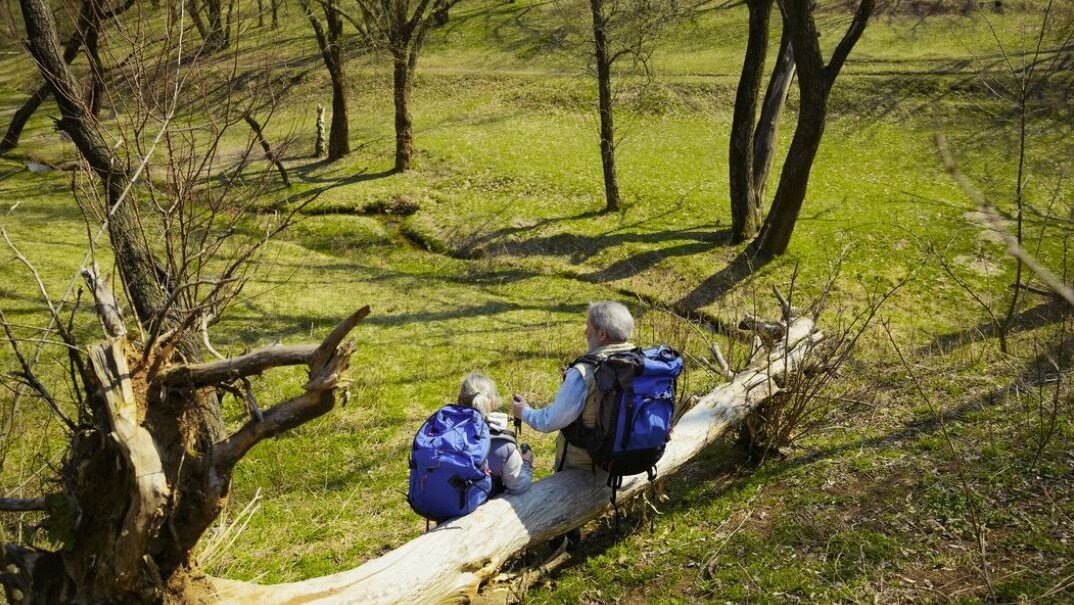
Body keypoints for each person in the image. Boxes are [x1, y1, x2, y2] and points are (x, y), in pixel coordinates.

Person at [510, 301, 636, 547]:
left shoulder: (585, 373)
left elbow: (550, 421)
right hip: (628, 455)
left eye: (588, 326)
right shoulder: (638, 361)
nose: (584, 331)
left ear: (602, 334)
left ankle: (563, 543)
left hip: (584, 465)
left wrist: (523, 411)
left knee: (559, 509)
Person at [458, 372, 533, 495]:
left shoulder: (441, 427)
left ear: (459, 400)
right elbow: (518, 486)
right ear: (492, 401)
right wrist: (526, 463)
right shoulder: (502, 445)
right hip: (478, 508)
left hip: (436, 503)